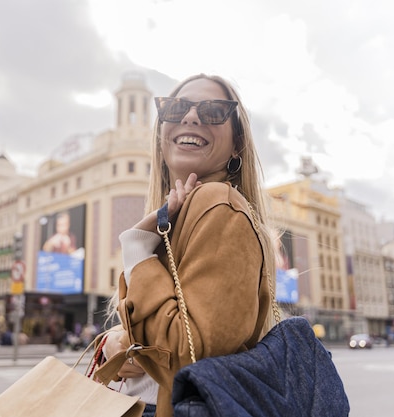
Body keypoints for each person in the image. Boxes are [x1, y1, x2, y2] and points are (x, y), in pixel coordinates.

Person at [97, 74, 278, 417]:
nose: (191, 117)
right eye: (177, 107)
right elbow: (176, 324)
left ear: (236, 144)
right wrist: (118, 341)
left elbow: (189, 358)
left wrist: (137, 246)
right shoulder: (183, 214)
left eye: (212, 111)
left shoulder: (218, 203)